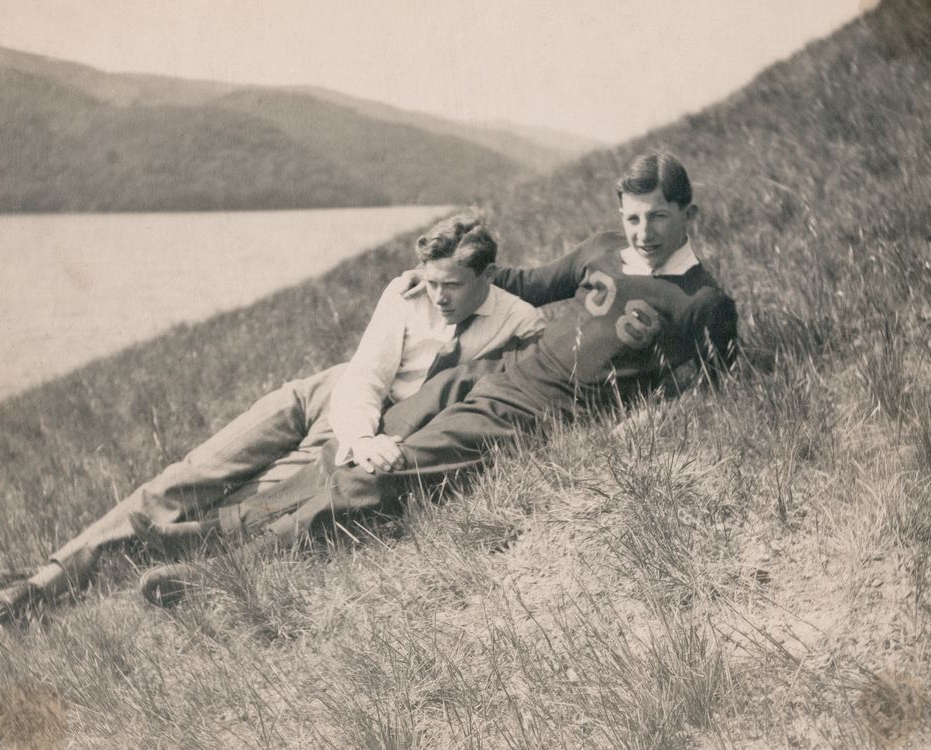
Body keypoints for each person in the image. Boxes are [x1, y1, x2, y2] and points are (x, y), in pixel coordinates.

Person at [138, 150, 739, 605]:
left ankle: (213, 576)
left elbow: (704, 395)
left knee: (388, 471)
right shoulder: (604, 249)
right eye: (633, 217)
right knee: (363, 441)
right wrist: (440, 275)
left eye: (658, 217)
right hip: (497, 371)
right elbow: (527, 284)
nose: (644, 232)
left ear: (689, 214)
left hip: (542, 412)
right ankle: (211, 531)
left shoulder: (703, 301)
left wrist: (627, 422)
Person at [0, 213, 545, 623]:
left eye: (452, 286)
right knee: (182, 479)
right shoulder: (407, 292)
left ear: (488, 278)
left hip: (377, 424)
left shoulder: (518, 323)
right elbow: (365, 376)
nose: (439, 296)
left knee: (224, 515)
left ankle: (54, 586)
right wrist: (362, 439)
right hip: (331, 397)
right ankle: (43, 581)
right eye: (433, 281)